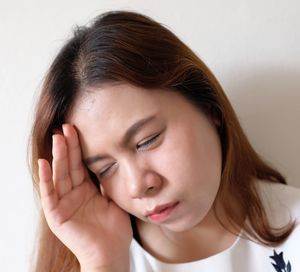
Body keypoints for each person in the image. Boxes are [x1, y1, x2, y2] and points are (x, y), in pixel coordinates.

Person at [29, 10, 300, 272]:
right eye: (105, 169)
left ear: (209, 107)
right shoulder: (97, 257)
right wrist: (103, 263)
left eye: (147, 141)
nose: (138, 185)